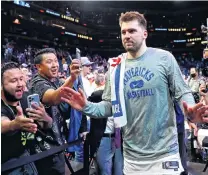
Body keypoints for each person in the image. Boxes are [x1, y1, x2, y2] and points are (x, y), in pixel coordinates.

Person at [60, 11, 208, 174]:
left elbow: (182, 92)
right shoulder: (115, 67)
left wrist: (191, 110)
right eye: (123, 32)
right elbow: (109, 107)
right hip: (132, 158)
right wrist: (86, 106)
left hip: (165, 154)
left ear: (144, 33)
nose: (126, 35)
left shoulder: (164, 58)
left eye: (132, 31)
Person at [29, 48, 81, 175]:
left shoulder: (57, 81)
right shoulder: (37, 83)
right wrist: (72, 78)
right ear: (38, 67)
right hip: (44, 150)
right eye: (49, 62)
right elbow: (53, 98)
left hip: (58, 144)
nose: (54, 65)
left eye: (55, 61)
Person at [1, 62, 52, 175]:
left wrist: (45, 118)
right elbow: (2, 123)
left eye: (21, 79)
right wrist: (13, 124)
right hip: (7, 164)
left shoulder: (26, 98)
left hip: (29, 157)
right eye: (13, 81)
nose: (20, 84)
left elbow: (46, 125)